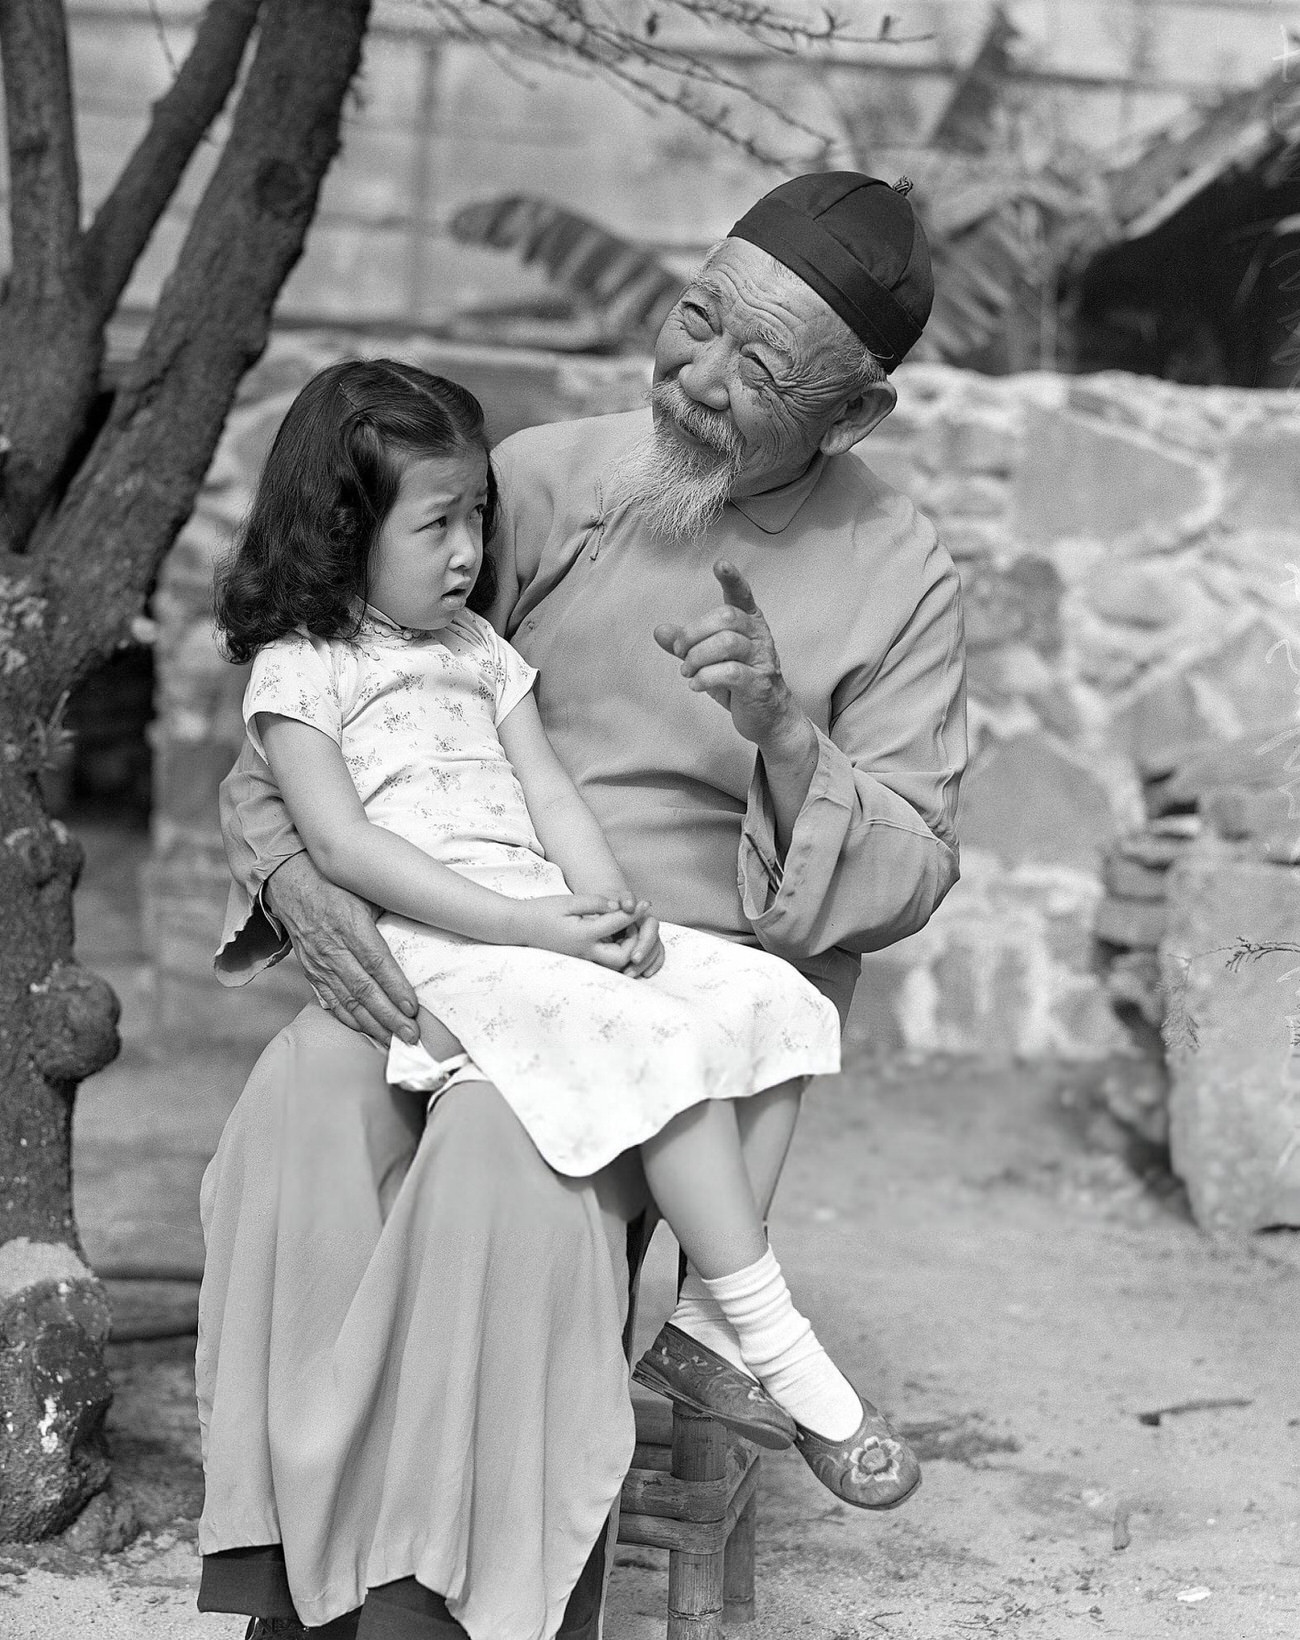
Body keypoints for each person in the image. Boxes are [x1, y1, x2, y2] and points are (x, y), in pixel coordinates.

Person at [198, 172, 966, 1640]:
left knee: (505, 1157)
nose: (697, 377)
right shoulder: (539, 479)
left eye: (756, 370)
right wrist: (301, 882)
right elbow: (311, 707)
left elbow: (915, 861)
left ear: (851, 416)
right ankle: (286, 1583)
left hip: (653, 997)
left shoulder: (898, 572)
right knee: (302, 1099)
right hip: (447, 933)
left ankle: (440, 1605)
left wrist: (786, 735)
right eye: (696, 321)